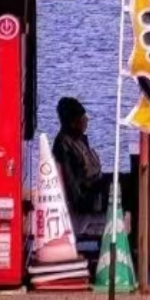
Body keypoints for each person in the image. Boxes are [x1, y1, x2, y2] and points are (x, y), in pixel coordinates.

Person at [52, 96, 104, 235]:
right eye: (83, 118)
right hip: (88, 196)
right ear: (73, 122)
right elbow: (73, 183)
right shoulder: (65, 145)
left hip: (94, 186)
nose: (87, 121)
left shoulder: (79, 140)